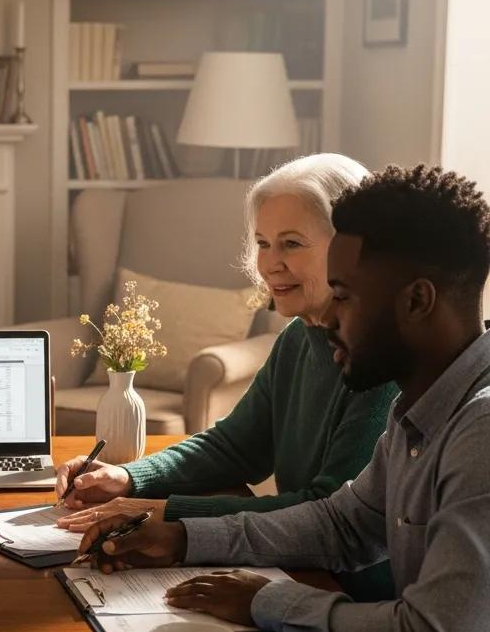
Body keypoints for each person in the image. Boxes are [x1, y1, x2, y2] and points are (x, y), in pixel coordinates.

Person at [75, 165, 490, 632]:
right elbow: (340, 522)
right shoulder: (422, 407)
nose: (327, 314)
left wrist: (265, 600)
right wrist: (180, 536)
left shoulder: (481, 429)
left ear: (418, 301)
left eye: (348, 295)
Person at [55, 154, 397, 598]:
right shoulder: (299, 336)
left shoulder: (382, 360)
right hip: (295, 568)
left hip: (352, 595)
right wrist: (129, 477)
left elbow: (327, 511)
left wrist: (164, 511)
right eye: (262, 243)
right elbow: (235, 446)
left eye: (291, 243)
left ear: (350, 248)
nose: (269, 263)